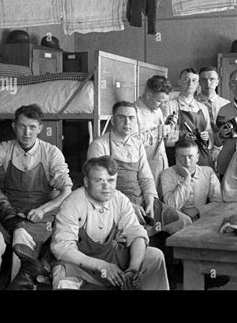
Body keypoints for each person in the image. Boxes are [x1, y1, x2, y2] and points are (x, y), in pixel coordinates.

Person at [0, 104, 73, 290]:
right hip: (8, 213)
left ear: (40, 128)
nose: (26, 132)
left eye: (32, 127)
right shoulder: (6, 148)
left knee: (20, 242)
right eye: (22, 126)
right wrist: (1, 203)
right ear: (14, 127)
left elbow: (66, 190)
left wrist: (43, 209)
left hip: (37, 215)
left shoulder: (51, 152)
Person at [50, 156, 169, 290]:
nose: (106, 186)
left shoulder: (120, 199)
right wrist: (102, 266)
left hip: (110, 259)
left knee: (155, 256)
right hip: (80, 263)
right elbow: (62, 248)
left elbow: (136, 234)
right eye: (99, 180)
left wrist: (133, 269)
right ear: (87, 182)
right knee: (63, 276)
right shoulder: (72, 203)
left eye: (111, 180)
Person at [87, 101, 157, 221]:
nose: (127, 123)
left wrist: (150, 201)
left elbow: (146, 178)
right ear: (113, 121)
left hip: (142, 202)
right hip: (113, 205)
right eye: (121, 117)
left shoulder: (137, 144)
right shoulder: (99, 145)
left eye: (131, 118)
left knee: (182, 221)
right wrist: (128, 206)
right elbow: (99, 186)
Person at [160, 138, 222, 229]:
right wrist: (187, 179)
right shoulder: (167, 174)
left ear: (197, 157)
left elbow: (218, 203)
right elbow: (171, 206)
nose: (187, 161)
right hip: (178, 224)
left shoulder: (208, 172)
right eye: (182, 157)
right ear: (176, 157)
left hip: (204, 221)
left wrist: (197, 210)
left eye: (190, 156)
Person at [164, 68, 214, 168]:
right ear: (179, 82)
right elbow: (165, 136)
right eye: (186, 79)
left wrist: (207, 137)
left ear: (198, 84)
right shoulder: (169, 106)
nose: (190, 83)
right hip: (179, 158)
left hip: (201, 157)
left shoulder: (203, 108)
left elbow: (209, 131)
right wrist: (180, 135)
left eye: (194, 80)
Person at [134, 75, 173, 186]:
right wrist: (158, 131)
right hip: (143, 166)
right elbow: (132, 142)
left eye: (165, 101)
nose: (163, 105)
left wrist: (168, 125)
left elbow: (164, 139)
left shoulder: (157, 111)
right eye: (160, 101)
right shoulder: (133, 112)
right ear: (148, 95)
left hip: (161, 164)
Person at [195, 66, 230, 168]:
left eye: (212, 79)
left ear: (217, 82)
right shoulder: (193, 104)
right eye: (204, 79)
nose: (208, 83)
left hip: (223, 150)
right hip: (200, 150)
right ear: (199, 82)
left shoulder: (226, 105)